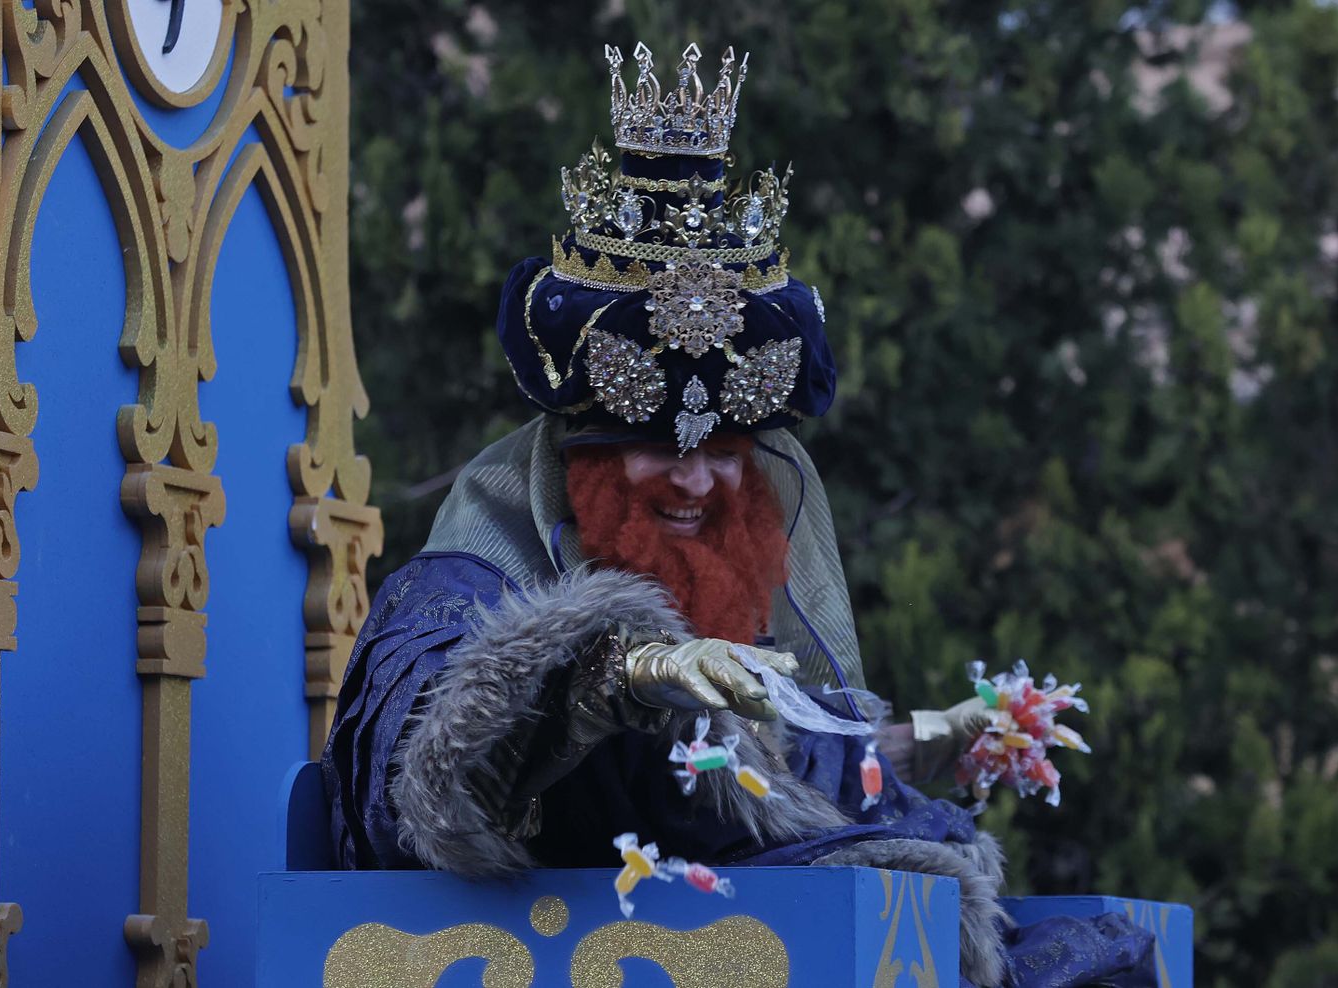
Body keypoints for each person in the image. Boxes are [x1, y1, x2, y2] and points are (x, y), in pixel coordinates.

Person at [324, 42, 1157, 987]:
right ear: (577, 452)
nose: (694, 483)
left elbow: (779, 786)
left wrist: (928, 737)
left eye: (723, 452)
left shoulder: (726, 579)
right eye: (659, 445)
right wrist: (625, 670)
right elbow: (420, 775)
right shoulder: (474, 572)